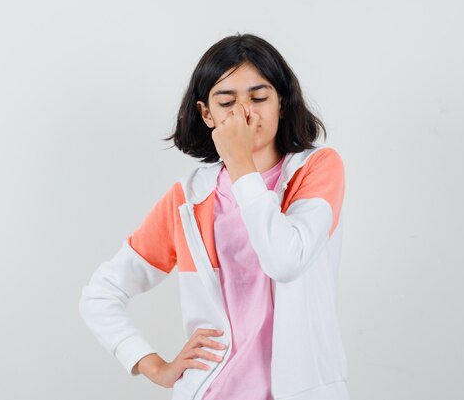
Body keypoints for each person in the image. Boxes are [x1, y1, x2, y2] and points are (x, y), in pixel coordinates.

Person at [79, 33, 349, 400]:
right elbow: (101, 293)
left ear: (281, 103)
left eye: (258, 97)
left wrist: (240, 164)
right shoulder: (188, 199)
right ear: (206, 113)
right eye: (226, 102)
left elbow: (285, 260)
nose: (244, 113)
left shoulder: (316, 170)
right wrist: (152, 364)